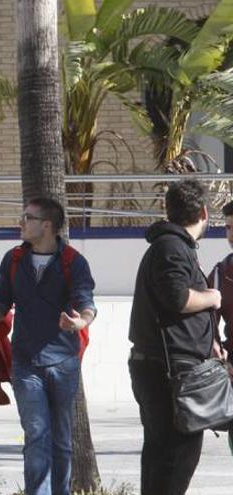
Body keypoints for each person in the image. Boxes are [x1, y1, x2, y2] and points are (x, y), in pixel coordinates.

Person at [0, 197, 96, 495]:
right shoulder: (13, 260)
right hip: (25, 363)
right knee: (36, 433)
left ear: (47, 225)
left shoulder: (73, 261)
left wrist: (80, 322)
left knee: (61, 439)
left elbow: (86, 302)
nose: (21, 223)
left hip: (63, 362)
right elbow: (0, 309)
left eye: (28, 217)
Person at [129, 179, 220, 495]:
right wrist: (212, 297)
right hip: (167, 371)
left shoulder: (172, 246)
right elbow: (177, 298)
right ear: (205, 213)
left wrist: (210, 343)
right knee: (176, 455)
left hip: (166, 366)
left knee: (164, 454)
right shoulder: (171, 247)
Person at [209, 199, 233, 354]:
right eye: (228, 228)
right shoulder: (220, 273)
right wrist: (216, 347)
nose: (231, 235)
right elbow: (207, 324)